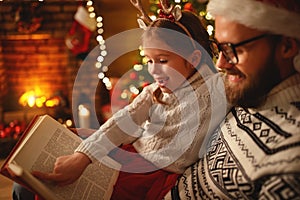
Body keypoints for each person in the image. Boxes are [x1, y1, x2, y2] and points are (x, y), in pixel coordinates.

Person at [22, 1, 228, 200]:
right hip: (132, 152)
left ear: (193, 59)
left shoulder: (218, 86)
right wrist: (83, 156)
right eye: (149, 60)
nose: (153, 70)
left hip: (147, 175)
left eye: (163, 60)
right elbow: (124, 119)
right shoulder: (155, 91)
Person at [164, 0, 300, 199]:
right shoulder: (248, 92)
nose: (221, 63)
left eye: (233, 49)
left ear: (287, 46)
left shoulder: (289, 161)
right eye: (219, 47)